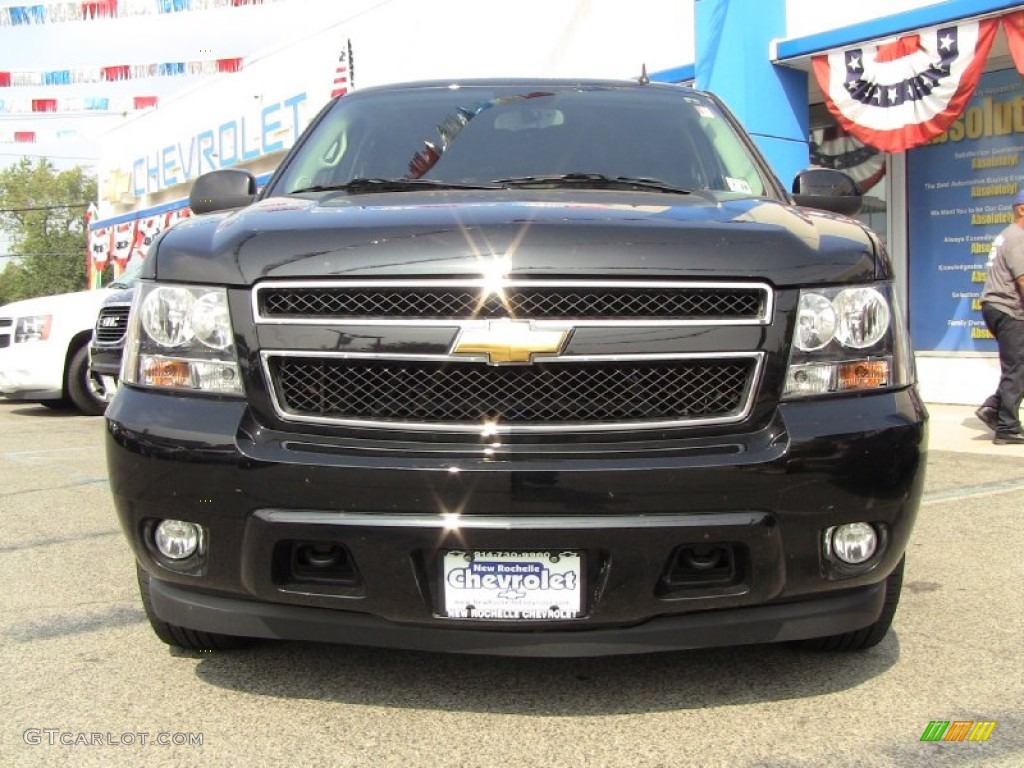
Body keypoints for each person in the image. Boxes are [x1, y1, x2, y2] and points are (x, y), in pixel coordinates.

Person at [976, 189, 1024, 445]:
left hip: (997, 307)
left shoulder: (1008, 235)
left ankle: (993, 408)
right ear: (1021, 210)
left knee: (1018, 366)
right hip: (1008, 309)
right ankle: (1007, 427)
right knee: (1017, 367)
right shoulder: (1018, 237)